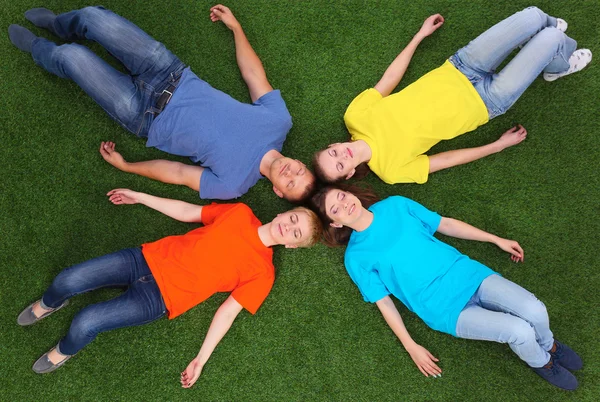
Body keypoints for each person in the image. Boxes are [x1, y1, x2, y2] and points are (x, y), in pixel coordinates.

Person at [17, 189, 322, 388]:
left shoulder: (264, 273)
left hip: (159, 298)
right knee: (66, 280)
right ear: (284, 212)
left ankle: (64, 350)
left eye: (296, 233)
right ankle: (50, 303)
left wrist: (201, 359)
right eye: (293, 218)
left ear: (292, 245)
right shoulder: (240, 213)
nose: (289, 227)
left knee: (86, 322)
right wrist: (141, 196)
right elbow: (190, 212)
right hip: (144, 258)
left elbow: (228, 312)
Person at [8, 5, 315, 201]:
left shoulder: (233, 186)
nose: (291, 174)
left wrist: (128, 166)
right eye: (299, 172)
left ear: (277, 191)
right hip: (169, 71)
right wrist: (237, 28)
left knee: (70, 57)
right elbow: (253, 75)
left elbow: (178, 173)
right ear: (300, 163)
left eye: (289, 184)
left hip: (144, 115)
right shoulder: (278, 121)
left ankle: (40, 48)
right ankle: (60, 25)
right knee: (93, 17)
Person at [309, 185, 583, 390]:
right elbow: (384, 302)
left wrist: (495, 239)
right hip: (442, 308)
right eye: (335, 209)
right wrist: (410, 345)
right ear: (335, 223)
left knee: (535, 309)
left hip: (468, 275)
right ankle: (542, 363)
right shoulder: (356, 258)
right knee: (519, 331)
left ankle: (550, 345)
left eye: (342, 196)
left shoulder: (395, 205)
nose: (344, 205)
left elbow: (445, 224)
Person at [313, 7, 592, 184]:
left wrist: (419, 36)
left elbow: (389, 79)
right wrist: (497, 145)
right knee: (551, 39)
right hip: (486, 101)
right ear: (349, 173)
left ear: (333, 143)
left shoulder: (355, 117)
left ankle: (550, 40)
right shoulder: (390, 171)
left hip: (461, 66)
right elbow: (446, 159)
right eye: (340, 165)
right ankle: (558, 66)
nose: (343, 155)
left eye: (333, 152)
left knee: (534, 16)